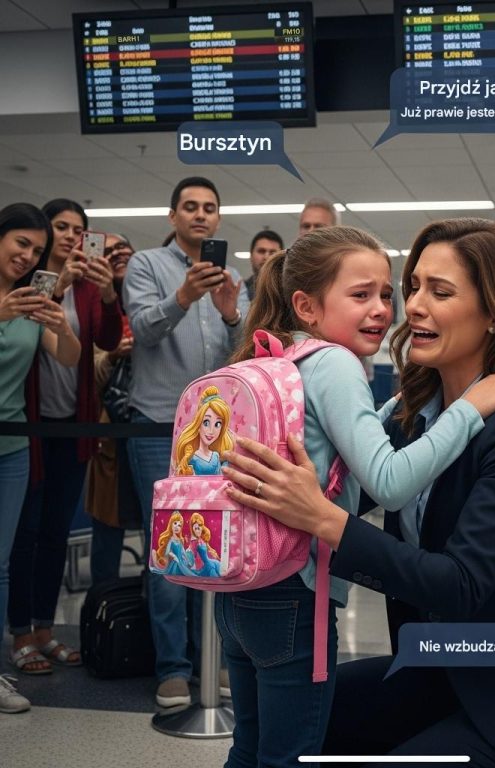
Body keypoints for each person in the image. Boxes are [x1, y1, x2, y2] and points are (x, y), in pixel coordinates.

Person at [223, 219, 495, 767]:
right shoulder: (412, 417)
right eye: (412, 287)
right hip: (440, 671)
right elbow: (345, 495)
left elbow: (459, 585)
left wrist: (326, 521)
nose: (411, 307)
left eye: (440, 291)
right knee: (293, 726)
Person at [123, 176, 250, 708]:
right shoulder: (146, 266)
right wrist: (183, 296)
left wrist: (229, 311)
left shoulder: (233, 275)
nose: (201, 215)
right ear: (173, 215)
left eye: (210, 208)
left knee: (209, 547)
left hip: (214, 432)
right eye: (190, 207)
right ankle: (172, 667)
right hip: (157, 424)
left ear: (218, 220)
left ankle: (209, 661)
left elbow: (244, 351)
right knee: (168, 550)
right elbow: (143, 329)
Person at [8, 198, 121, 675]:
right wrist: (59, 286)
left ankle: (45, 630)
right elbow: (30, 334)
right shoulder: (27, 285)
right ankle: (20, 636)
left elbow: (107, 340)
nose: (71, 236)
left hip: (74, 427)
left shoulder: (90, 290)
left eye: (79, 229)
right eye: (61, 227)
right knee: (25, 535)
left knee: (54, 535)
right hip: (28, 428)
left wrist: (109, 292)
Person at [0, 202, 80, 712]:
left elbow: (68, 356)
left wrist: (62, 323)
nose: (27, 256)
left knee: (2, 565)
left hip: (11, 448)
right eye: (20, 244)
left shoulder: (32, 296)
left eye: (36, 249)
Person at [85, 233, 142, 585]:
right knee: (108, 528)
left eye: (126, 249)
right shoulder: (92, 304)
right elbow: (84, 374)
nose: (120, 255)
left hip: (152, 425)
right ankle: (105, 617)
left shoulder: (149, 299)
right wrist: (112, 353)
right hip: (108, 431)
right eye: (110, 252)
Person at [174, 386, 234, 476]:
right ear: (198, 424)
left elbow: (220, 479)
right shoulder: (192, 457)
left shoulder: (215, 456)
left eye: (217, 424)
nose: (211, 430)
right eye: (206, 422)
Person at [244, 229, 283, 300]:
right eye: (261, 251)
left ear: (281, 258)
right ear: (251, 256)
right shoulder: (239, 291)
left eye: (273, 253)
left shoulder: (289, 291)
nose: (266, 257)